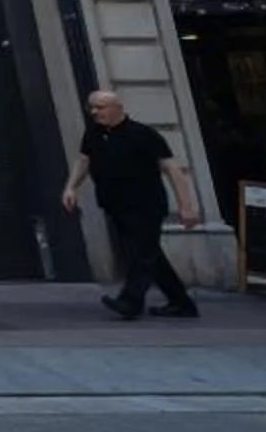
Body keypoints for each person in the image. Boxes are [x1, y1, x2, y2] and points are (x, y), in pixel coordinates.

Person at [62, 89, 202, 320]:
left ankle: (130, 301)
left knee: (142, 255)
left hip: (146, 205)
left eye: (101, 107)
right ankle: (181, 303)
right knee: (150, 254)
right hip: (115, 205)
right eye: (92, 108)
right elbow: (83, 160)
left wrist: (186, 206)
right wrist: (71, 187)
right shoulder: (93, 134)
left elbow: (172, 169)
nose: (95, 112)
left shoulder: (143, 134)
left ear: (118, 108)